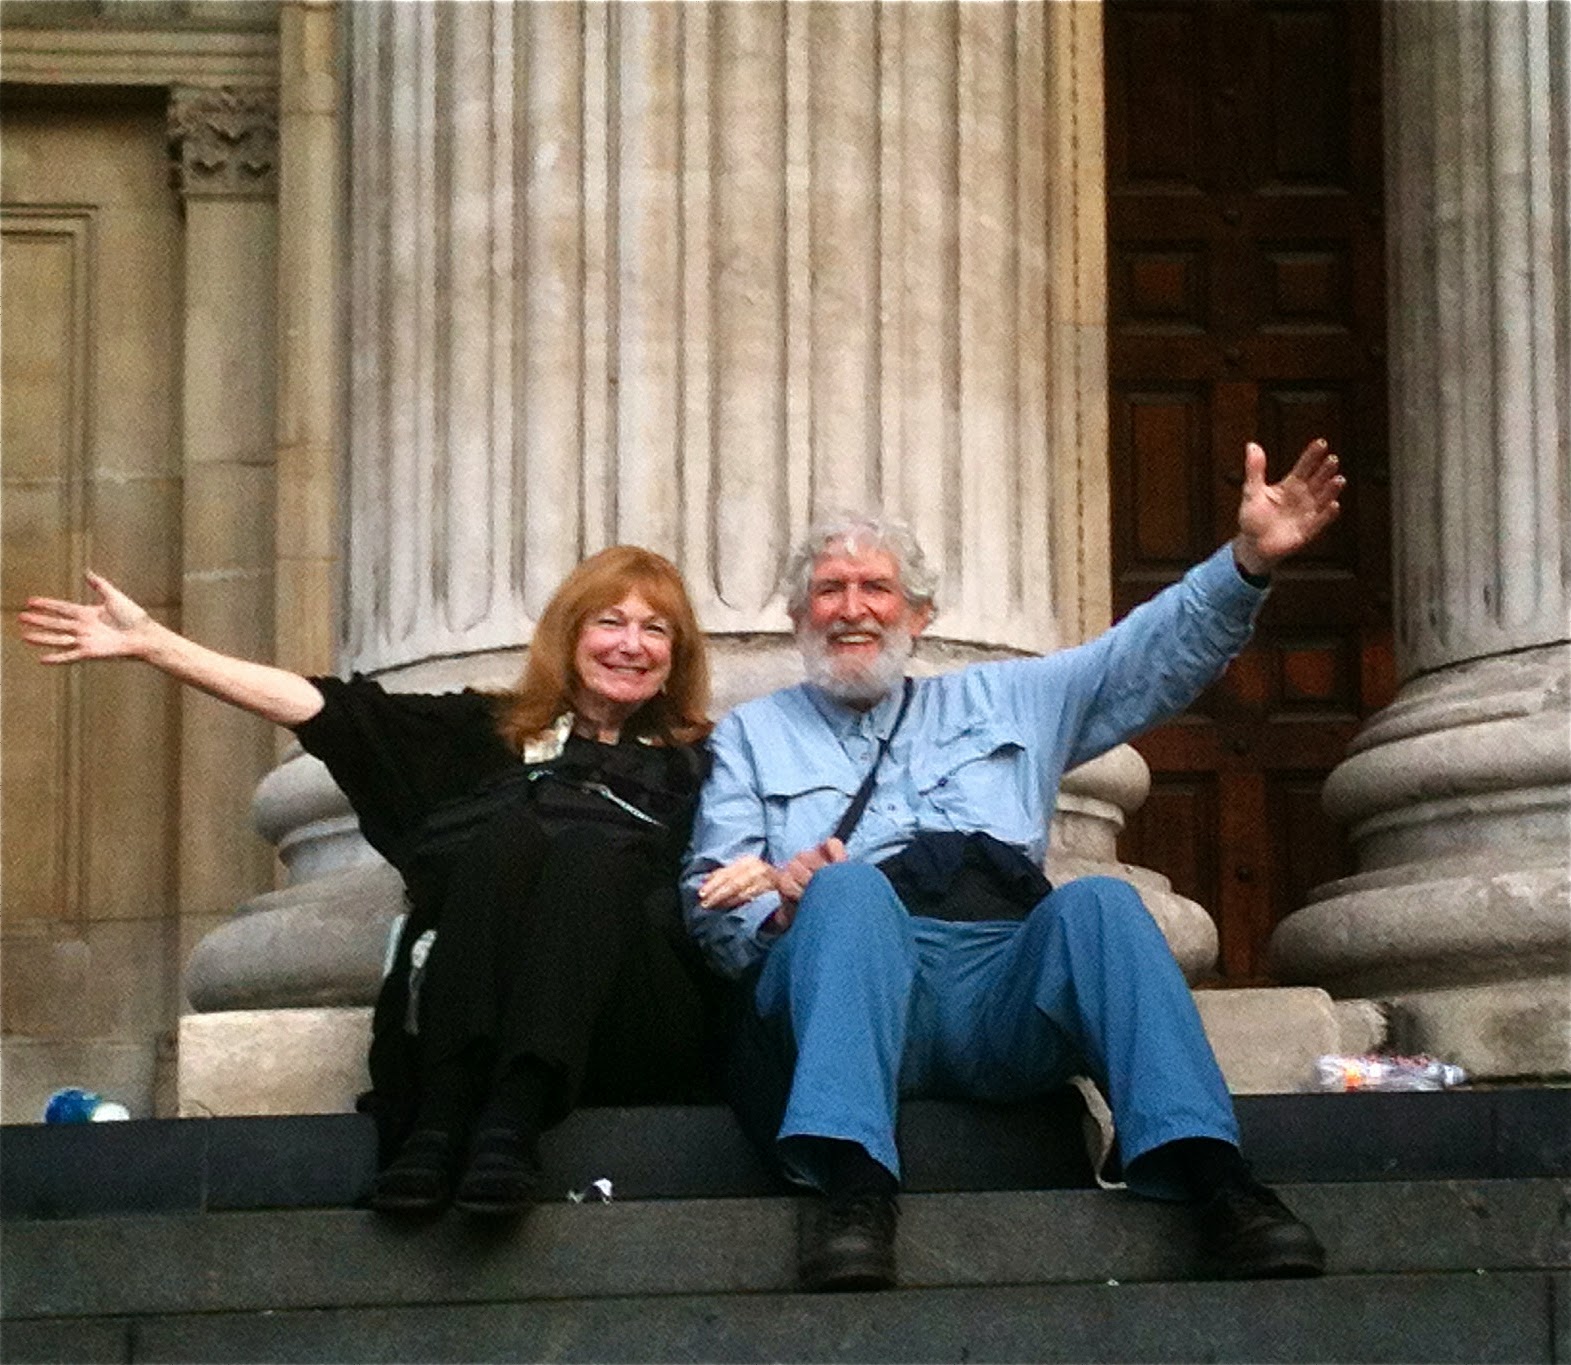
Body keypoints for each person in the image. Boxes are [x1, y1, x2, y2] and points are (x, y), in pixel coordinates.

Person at [685, 439, 1345, 1290]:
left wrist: (1246, 561)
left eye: (875, 587)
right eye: (829, 589)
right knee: (846, 889)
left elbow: (1145, 654)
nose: (852, 609)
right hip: (854, 993)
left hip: (998, 989)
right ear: (797, 616)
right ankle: (852, 1192)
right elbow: (711, 901)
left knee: (1099, 906)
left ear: (918, 613)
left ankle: (1216, 1181)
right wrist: (779, 902)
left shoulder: (1011, 697)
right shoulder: (753, 732)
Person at [20, 546, 744, 1217]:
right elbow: (323, 708)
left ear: (675, 656)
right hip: (463, 1017)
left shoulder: (705, 768)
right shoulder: (479, 734)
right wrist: (157, 645)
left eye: (655, 630)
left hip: (626, 1029)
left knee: (587, 851)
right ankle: (443, 1119)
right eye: (609, 621)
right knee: (510, 836)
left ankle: (510, 1119)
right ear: (569, 634)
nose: (631, 644)